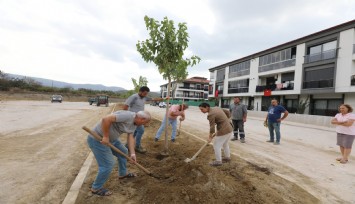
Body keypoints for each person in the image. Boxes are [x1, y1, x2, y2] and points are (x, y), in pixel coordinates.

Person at [87, 110, 151, 196]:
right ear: (141, 119)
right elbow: (105, 119)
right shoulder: (127, 116)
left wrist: (132, 153)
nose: (144, 125)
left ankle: (123, 174)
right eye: (144, 122)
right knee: (108, 164)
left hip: (112, 140)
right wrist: (106, 136)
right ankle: (96, 188)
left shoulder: (135, 123)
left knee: (123, 152)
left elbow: (130, 137)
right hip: (98, 140)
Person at [124, 86, 161, 153]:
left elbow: (153, 99)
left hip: (139, 119)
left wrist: (163, 99)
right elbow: (126, 106)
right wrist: (126, 117)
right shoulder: (134, 97)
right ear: (140, 91)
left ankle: (128, 145)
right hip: (133, 118)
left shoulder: (144, 97)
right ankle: (137, 146)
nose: (145, 95)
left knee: (133, 132)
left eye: (146, 94)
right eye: (144, 93)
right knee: (141, 130)